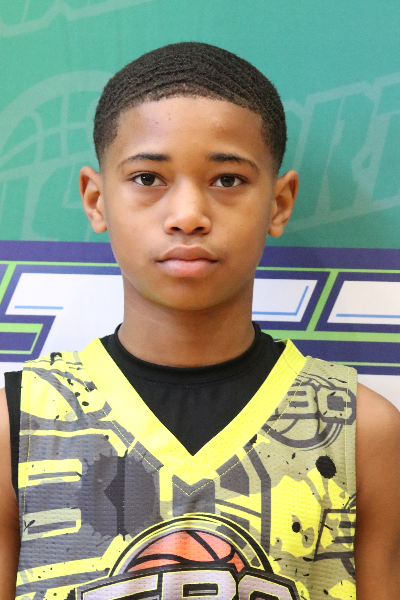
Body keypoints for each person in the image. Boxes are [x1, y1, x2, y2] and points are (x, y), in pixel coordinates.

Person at [0, 42, 399, 600]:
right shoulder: (18, 426)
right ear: (95, 198)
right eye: (148, 178)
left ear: (279, 202)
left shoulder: (361, 430)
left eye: (227, 180)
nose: (188, 215)